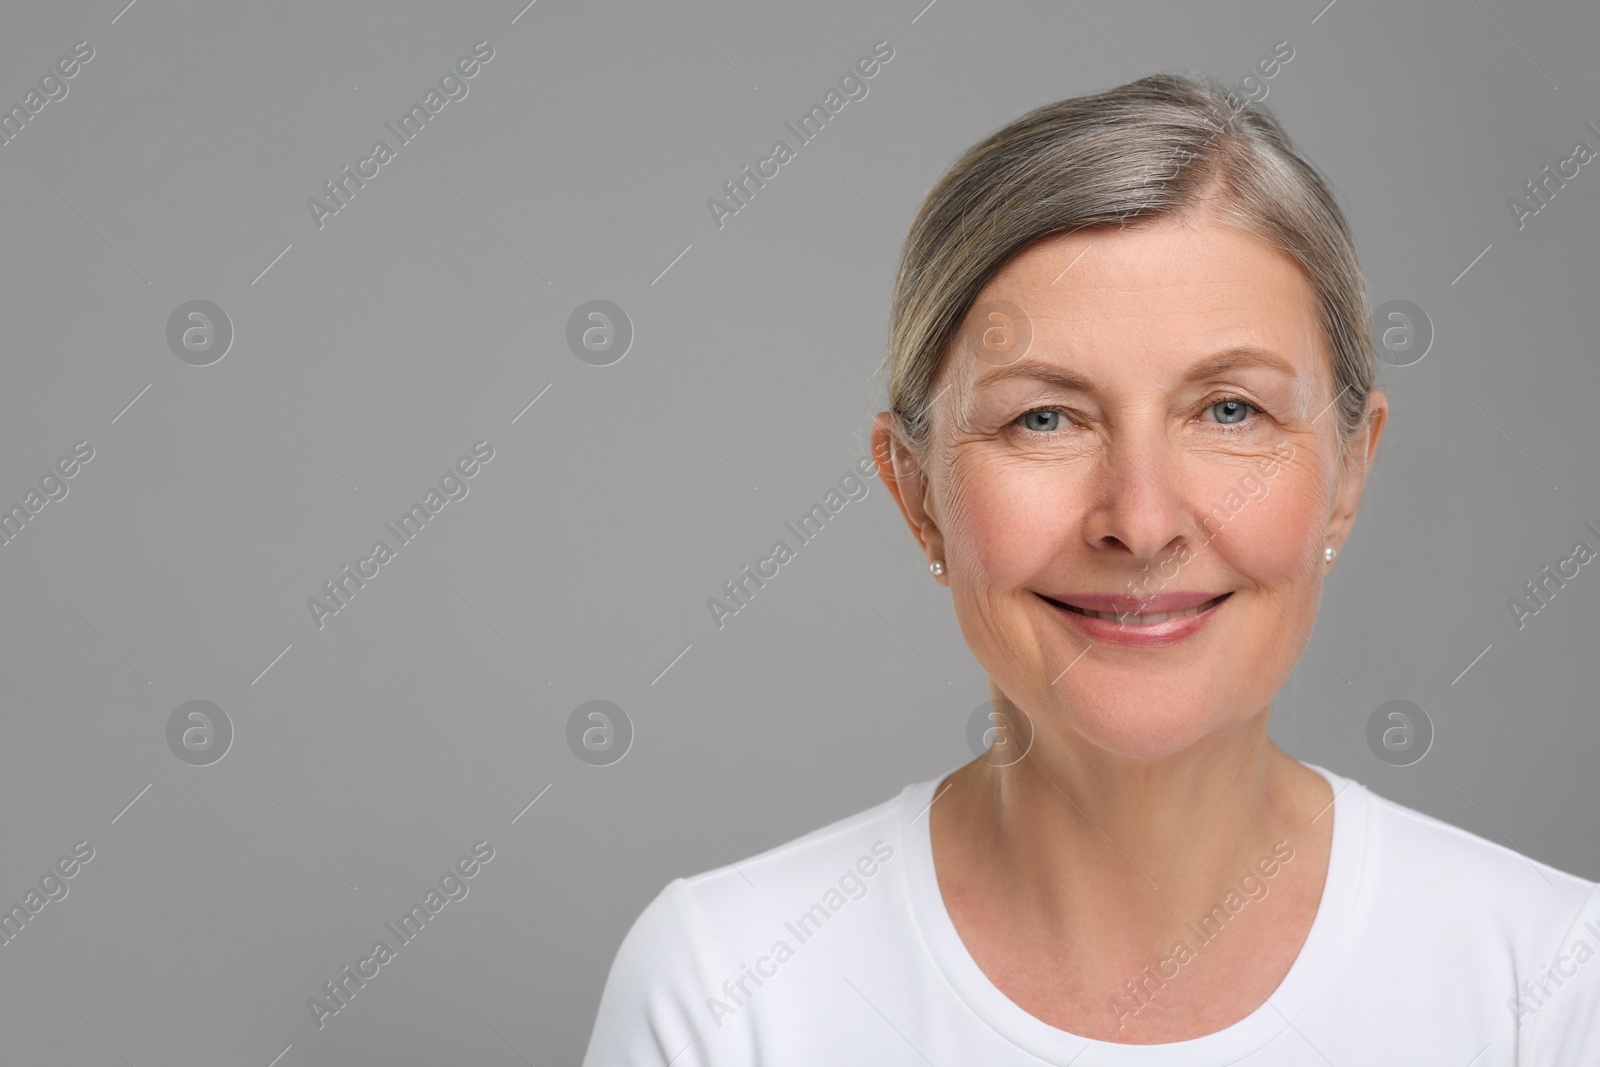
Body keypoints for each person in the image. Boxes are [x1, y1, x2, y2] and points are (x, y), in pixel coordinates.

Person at [580, 71, 1600, 1064]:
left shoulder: (1551, 983)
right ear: (916, 491)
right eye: (1044, 417)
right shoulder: (725, 993)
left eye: (1230, 409)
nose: (1142, 520)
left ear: (1348, 471)